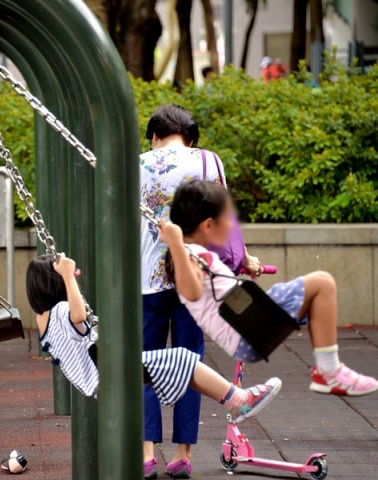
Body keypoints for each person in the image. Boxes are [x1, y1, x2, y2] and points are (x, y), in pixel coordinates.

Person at [160, 180, 378, 395]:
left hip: (248, 328)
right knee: (323, 282)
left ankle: (328, 371)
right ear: (208, 225)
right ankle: (330, 371)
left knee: (318, 296)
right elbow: (191, 291)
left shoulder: (194, 253)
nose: (232, 225)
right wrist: (176, 244)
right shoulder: (189, 256)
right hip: (248, 328)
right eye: (228, 218)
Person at [26, 253, 281, 435]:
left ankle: (233, 401)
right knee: (183, 357)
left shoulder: (42, 322)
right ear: (55, 283)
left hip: (101, 379)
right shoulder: (61, 310)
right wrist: (68, 275)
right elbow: (78, 316)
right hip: (110, 373)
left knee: (181, 366)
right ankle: (240, 400)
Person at [140, 104, 261, 479]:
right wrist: (242, 259)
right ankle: (182, 455)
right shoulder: (207, 161)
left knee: (144, 364)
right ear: (191, 137)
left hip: (146, 278)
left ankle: (146, 453)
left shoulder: (135, 163)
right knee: (191, 364)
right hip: (193, 277)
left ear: (155, 135)